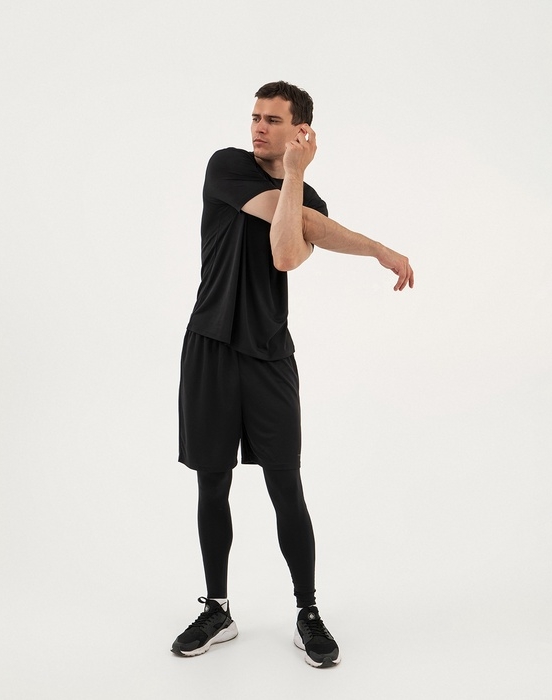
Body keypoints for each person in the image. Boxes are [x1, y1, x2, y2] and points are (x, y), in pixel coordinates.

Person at [171, 81, 413, 668]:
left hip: (269, 356)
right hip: (209, 347)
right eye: (255, 116)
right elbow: (294, 226)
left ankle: (308, 611)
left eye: (273, 120)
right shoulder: (227, 167)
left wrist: (296, 176)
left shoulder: (308, 197)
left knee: (286, 487)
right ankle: (217, 608)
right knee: (212, 483)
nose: (258, 127)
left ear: (301, 131)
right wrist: (376, 246)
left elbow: (285, 251)